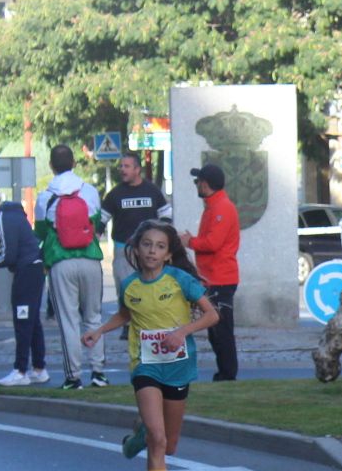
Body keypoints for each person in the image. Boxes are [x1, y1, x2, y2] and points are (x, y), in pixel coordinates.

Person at [83, 220, 218, 471]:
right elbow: (127, 314)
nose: (152, 252)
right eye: (146, 245)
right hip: (145, 366)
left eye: (159, 246)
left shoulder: (181, 280)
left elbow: (212, 315)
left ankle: (139, 435)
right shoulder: (130, 285)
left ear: (169, 253)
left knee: (168, 445)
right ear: (136, 249)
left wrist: (181, 332)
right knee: (159, 440)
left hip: (178, 367)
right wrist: (100, 330)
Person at [35, 143, 110, 388]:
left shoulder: (45, 197)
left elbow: (40, 234)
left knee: (68, 320)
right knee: (94, 317)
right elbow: (97, 223)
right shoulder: (89, 192)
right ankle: (98, 372)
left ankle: (73, 377)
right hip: (90, 259)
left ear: (51, 166)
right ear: (74, 164)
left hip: (60, 261)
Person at [0, 185, 51, 387]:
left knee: (23, 320)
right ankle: (39, 368)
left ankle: (20, 370)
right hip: (34, 269)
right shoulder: (14, 213)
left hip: (26, 271)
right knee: (32, 321)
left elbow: (8, 254)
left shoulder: (3, 218)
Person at [182, 163, 240, 382]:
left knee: (221, 330)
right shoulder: (214, 206)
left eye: (198, 182)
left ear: (205, 184)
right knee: (216, 330)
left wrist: (190, 242)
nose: (196, 185)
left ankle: (227, 374)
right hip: (213, 277)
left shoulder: (221, 208)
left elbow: (213, 243)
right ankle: (224, 372)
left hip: (220, 278)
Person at [105, 151, 168, 294]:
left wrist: (162, 238)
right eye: (121, 166)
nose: (122, 169)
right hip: (123, 249)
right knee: (126, 291)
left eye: (126, 166)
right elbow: (101, 221)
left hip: (149, 249)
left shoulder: (152, 191)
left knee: (150, 290)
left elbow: (166, 216)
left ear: (137, 169)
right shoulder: (115, 194)